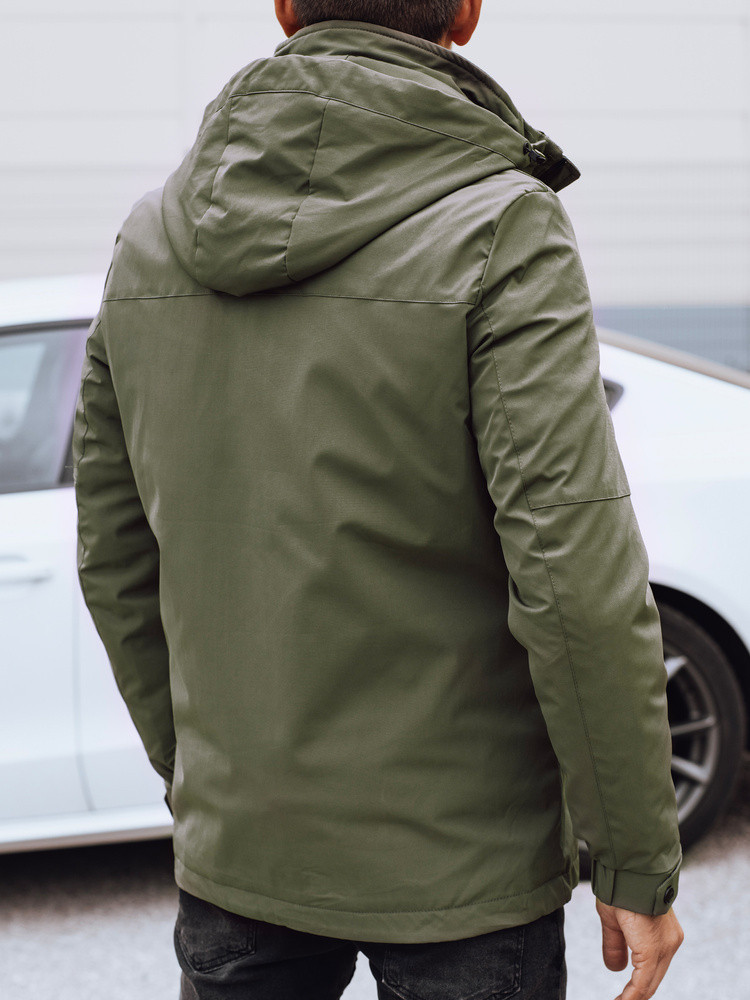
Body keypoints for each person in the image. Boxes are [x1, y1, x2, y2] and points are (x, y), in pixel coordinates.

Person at [73, 1, 684, 997]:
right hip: (466, 863)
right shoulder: (502, 225)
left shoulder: (149, 238)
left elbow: (114, 552)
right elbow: (572, 575)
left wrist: (203, 777)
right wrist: (634, 858)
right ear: (466, 13)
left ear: (284, 7)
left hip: (242, 847)